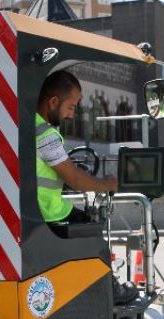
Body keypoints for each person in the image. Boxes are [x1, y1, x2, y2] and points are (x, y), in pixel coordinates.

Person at [35, 70, 117, 224]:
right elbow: (75, 178)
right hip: (49, 214)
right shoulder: (45, 135)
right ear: (53, 102)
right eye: (71, 107)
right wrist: (104, 185)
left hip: (34, 213)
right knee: (92, 231)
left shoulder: (28, 124)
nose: (71, 115)